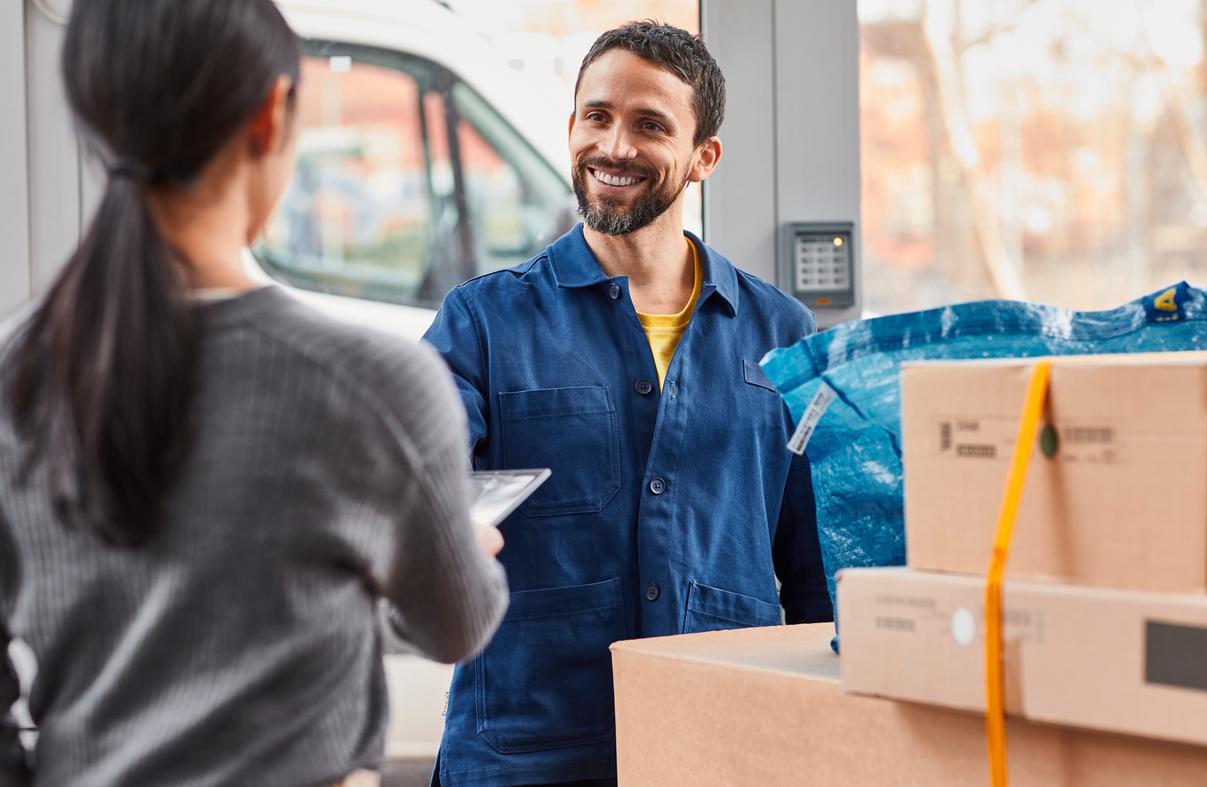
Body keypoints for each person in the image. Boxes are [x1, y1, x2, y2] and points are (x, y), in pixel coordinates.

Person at [0, 2, 508, 786]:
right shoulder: (378, 383)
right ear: (272, 116)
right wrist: (465, 547)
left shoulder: (16, 372)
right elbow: (455, 626)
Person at [424, 20, 833, 786]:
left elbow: (815, 577)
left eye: (650, 125)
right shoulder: (481, 323)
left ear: (704, 156)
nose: (614, 146)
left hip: (721, 749)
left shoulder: (782, 334)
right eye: (597, 116)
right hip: (528, 757)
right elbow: (412, 490)